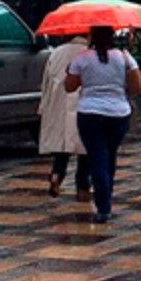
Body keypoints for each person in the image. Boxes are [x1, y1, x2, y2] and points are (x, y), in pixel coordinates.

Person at [65, 26, 141, 223]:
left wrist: (78, 74)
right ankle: (106, 198)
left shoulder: (82, 58)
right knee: (110, 156)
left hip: (89, 113)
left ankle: (103, 206)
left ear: (91, 36)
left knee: (97, 157)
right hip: (118, 113)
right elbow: (136, 87)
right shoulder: (124, 57)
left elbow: (69, 86)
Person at [39, 34, 91, 201]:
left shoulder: (56, 53)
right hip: (83, 103)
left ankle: (57, 175)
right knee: (85, 148)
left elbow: (46, 81)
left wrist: (43, 106)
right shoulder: (89, 53)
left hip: (57, 102)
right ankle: (83, 186)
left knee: (62, 147)